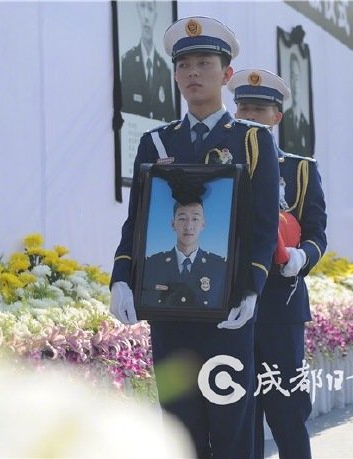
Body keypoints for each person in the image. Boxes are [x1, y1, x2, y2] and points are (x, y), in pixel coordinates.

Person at [109, 16, 280, 458]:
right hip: (168, 314)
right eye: (183, 65)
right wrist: (122, 278)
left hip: (227, 314)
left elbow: (263, 226)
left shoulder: (254, 141)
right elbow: (137, 222)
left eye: (204, 63)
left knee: (231, 426)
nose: (192, 74)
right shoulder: (156, 142)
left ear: (226, 75)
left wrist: (252, 288)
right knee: (180, 429)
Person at [227, 68, 327, 459]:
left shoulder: (299, 169)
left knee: (286, 407)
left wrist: (302, 258)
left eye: (260, 109)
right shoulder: (220, 161)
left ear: (276, 117)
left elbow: (317, 232)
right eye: (244, 108)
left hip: (280, 304)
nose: (250, 116)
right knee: (238, 407)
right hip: (231, 299)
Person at [141, 199, 226, 310]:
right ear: (173, 224)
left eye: (195, 219)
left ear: (203, 224)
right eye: (182, 219)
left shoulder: (219, 267)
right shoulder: (153, 264)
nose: (188, 226)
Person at [120, 0, 176, 121]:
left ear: (155, 16)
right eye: (143, 7)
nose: (146, 17)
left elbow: (170, 120)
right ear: (138, 12)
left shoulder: (165, 71)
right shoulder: (127, 63)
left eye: (150, 9)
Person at [281, 52, 312, 157]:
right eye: (292, 77)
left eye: (297, 78)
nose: (294, 83)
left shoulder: (306, 125)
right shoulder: (285, 117)